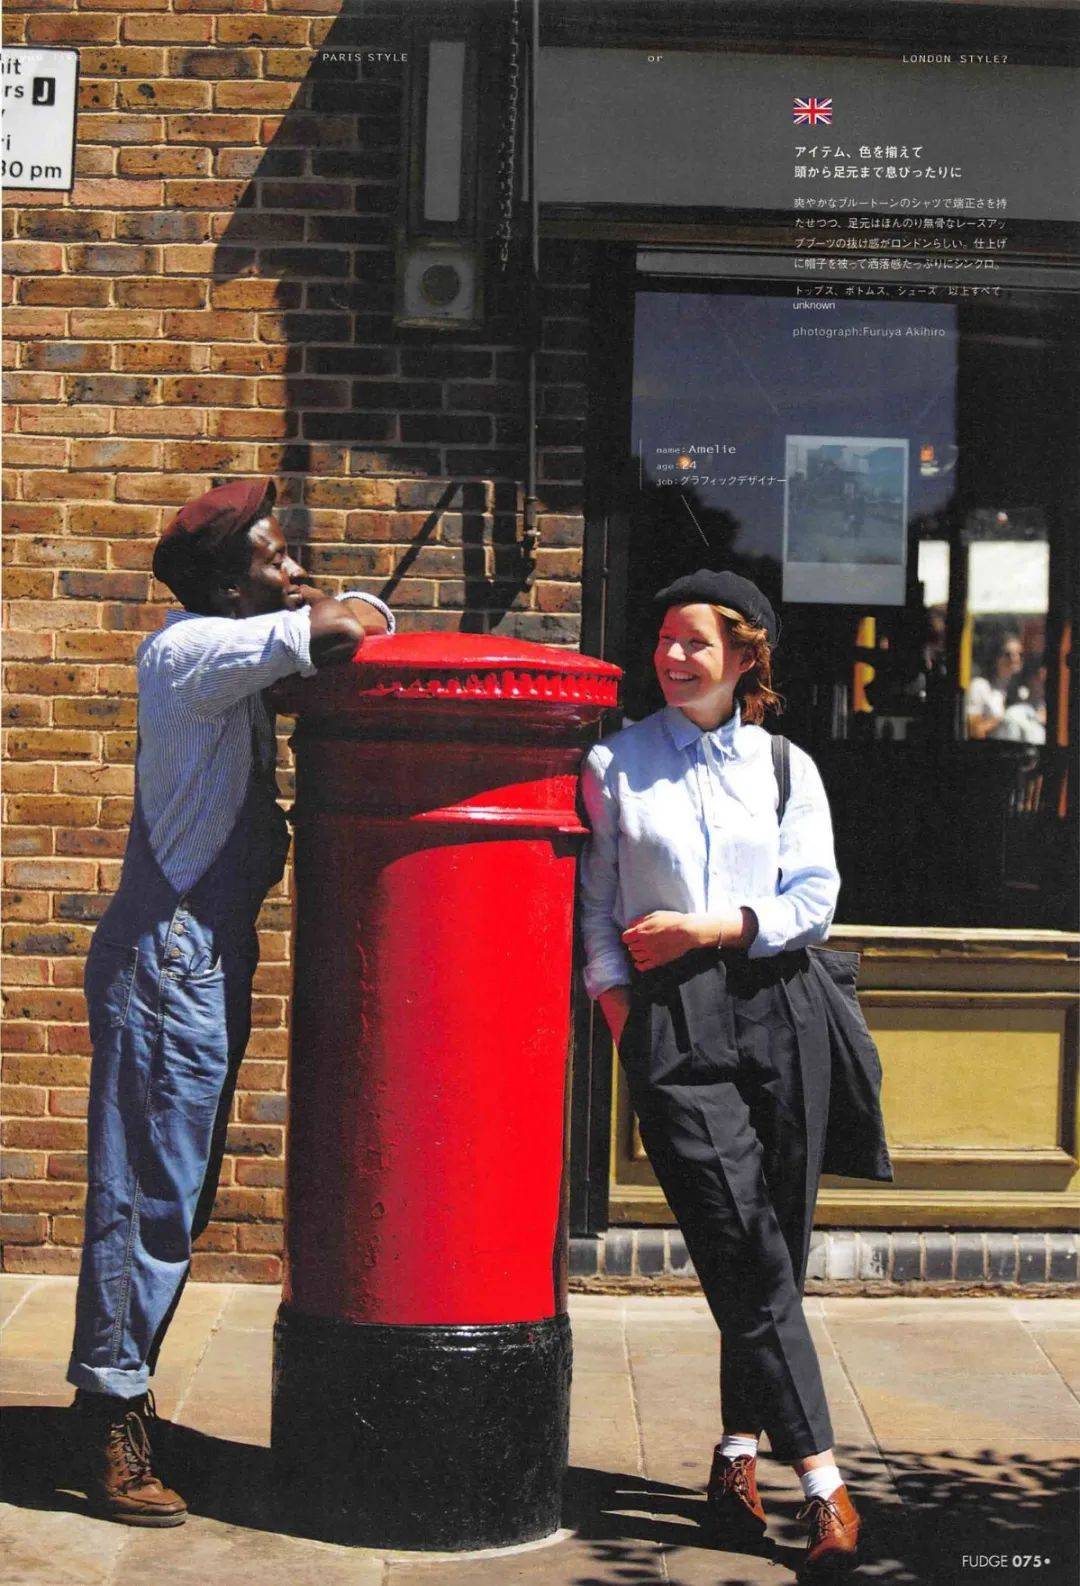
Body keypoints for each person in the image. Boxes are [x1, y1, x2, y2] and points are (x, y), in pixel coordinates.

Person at [67, 478, 395, 1525]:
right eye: (276, 554)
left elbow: (324, 642)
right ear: (223, 580)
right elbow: (345, 622)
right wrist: (340, 610)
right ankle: (110, 1421)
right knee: (144, 1201)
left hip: (204, 957)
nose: (295, 568)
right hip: (169, 963)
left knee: (178, 1193)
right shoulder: (192, 652)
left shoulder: (230, 665)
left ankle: (123, 1389)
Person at [579, 569, 883, 1579]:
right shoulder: (615, 763)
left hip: (778, 1003)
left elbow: (815, 896)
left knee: (770, 1251)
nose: (671, 656)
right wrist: (628, 1023)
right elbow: (597, 915)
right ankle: (825, 1479)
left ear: (746, 656)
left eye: (694, 643)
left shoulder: (787, 767)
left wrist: (716, 924)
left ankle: (734, 1455)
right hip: (674, 1026)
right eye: (662, 640)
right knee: (743, 1242)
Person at [966, 630, 1023, 740]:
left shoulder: (1022, 692)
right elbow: (974, 730)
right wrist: (1003, 719)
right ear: (996, 657)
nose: (1015, 659)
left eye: (1020, 654)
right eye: (1008, 654)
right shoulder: (980, 686)